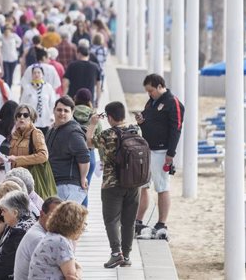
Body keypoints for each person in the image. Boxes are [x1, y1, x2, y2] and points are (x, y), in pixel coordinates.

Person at [88, 101, 139, 268]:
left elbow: (88, 142)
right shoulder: (135, 131)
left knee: (111, 220)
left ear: (109, 117)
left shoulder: (107, 134)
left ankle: (116, 253)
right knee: (129, 221)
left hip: (112, 184)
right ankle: (127, 256)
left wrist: (93, 124)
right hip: (133, 183)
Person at [134, 73, 184, 239]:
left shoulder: (173, 102)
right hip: (148, 148)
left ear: (160, 86)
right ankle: (138, 220)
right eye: (147, 91)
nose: (149, 93)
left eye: (151, 90)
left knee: (162, 186)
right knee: (144, 185)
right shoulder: (151, 101)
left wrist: (171, 153)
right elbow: (149, 119)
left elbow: (176, 128)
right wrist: (141, 120)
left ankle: (161, 222)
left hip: (162, 151)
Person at [45, 96, 90, 204]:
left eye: (66, 111)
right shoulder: (53, 129)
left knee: (63, 220)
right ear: (54, 110)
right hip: (55, 184)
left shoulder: (73, 132)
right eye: (59, 110)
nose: (62, 113)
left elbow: (84, 157)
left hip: (68, 187)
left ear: (72, 112)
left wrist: (83, 178)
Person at [28, 201, 87, 280]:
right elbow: (72, 277)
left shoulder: (51, 236)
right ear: (74, 224)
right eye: (83, 223)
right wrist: (80, 269)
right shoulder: (60, 242)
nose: (83, 227)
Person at [12, 196, 63, 280]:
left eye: (61, 217)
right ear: (42, 214)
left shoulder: (42, 230)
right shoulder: (39, 239)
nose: (57, 221)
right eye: (53, 216)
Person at [7, 104, 50, 197]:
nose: (22, 117)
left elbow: (43, 155)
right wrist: (4, 159)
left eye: (26, 115)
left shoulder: (36, 133)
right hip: (16, 182)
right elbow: (13, 158)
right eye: (19, 115)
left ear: (31, 118)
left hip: (31, 182)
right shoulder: (15, 135)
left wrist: (18, 159)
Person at [73, 88, 101, 208]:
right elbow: (99, 139)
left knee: (72, 188)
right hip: (90, 156)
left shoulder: (70, 112)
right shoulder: (94, 116)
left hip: (73, 156)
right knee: (84, 188)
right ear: (90, 100)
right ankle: (82, 221)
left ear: (75, 98)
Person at [19, 66, 56, 130]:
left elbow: (52, 102)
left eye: (39, 72)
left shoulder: (48, 87)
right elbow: (23, 104)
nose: (36, 74)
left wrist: (52, 115)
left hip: (45, 120)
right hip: (31, 120)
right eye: (34, 73)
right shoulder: (28, 88)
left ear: (42, 75)